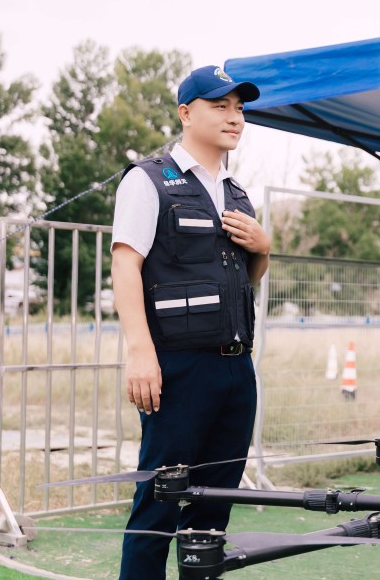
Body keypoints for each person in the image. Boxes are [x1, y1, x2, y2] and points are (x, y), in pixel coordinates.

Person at [112, 65, 269, 579]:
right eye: (219, 106)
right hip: (177, 369)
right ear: (186, 112)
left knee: (213, 512)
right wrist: (140, 352)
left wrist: (265, 249)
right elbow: (125, 264)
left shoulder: (238, 194)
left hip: (235, 371)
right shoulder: (148, 180)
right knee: (159, 504)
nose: (234, 117)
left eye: (239, 108)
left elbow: (249, 278)